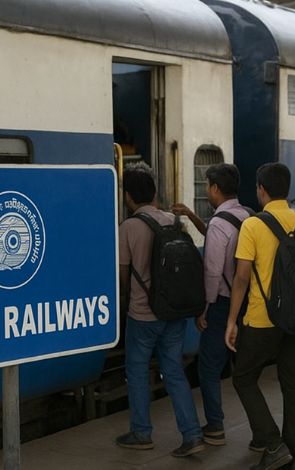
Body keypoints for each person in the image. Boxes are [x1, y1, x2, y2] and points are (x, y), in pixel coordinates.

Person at [225, 162, 295, 470]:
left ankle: (273, 443)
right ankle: (293, 456)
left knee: (243, 377)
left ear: (261, 189)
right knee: (292, 385)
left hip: (262, 319)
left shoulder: (253, 225)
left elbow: (242, 277)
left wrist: (231, 320)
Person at [115, 162, 205, 457]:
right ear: (153, 193)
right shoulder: (172, 221)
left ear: (128, 196)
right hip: (173, 311)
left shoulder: (128, 227)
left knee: (137, 372)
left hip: (143, 315)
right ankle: (192, 434)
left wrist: (130, 299)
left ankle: (142, 433)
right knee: (174, 371)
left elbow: (123, 274)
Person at [171, 163, 252, 446]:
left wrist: (204, 308)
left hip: (221, 305)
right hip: (245, 304)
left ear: (215, 188)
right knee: (243, 370)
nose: (207, 190)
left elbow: (213, 271)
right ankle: (261, 433)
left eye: (207, 185)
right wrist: (192, 215)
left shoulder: (220, 223)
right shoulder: (245, 215)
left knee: (207, 368)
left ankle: (215, 425)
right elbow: (218, 236)